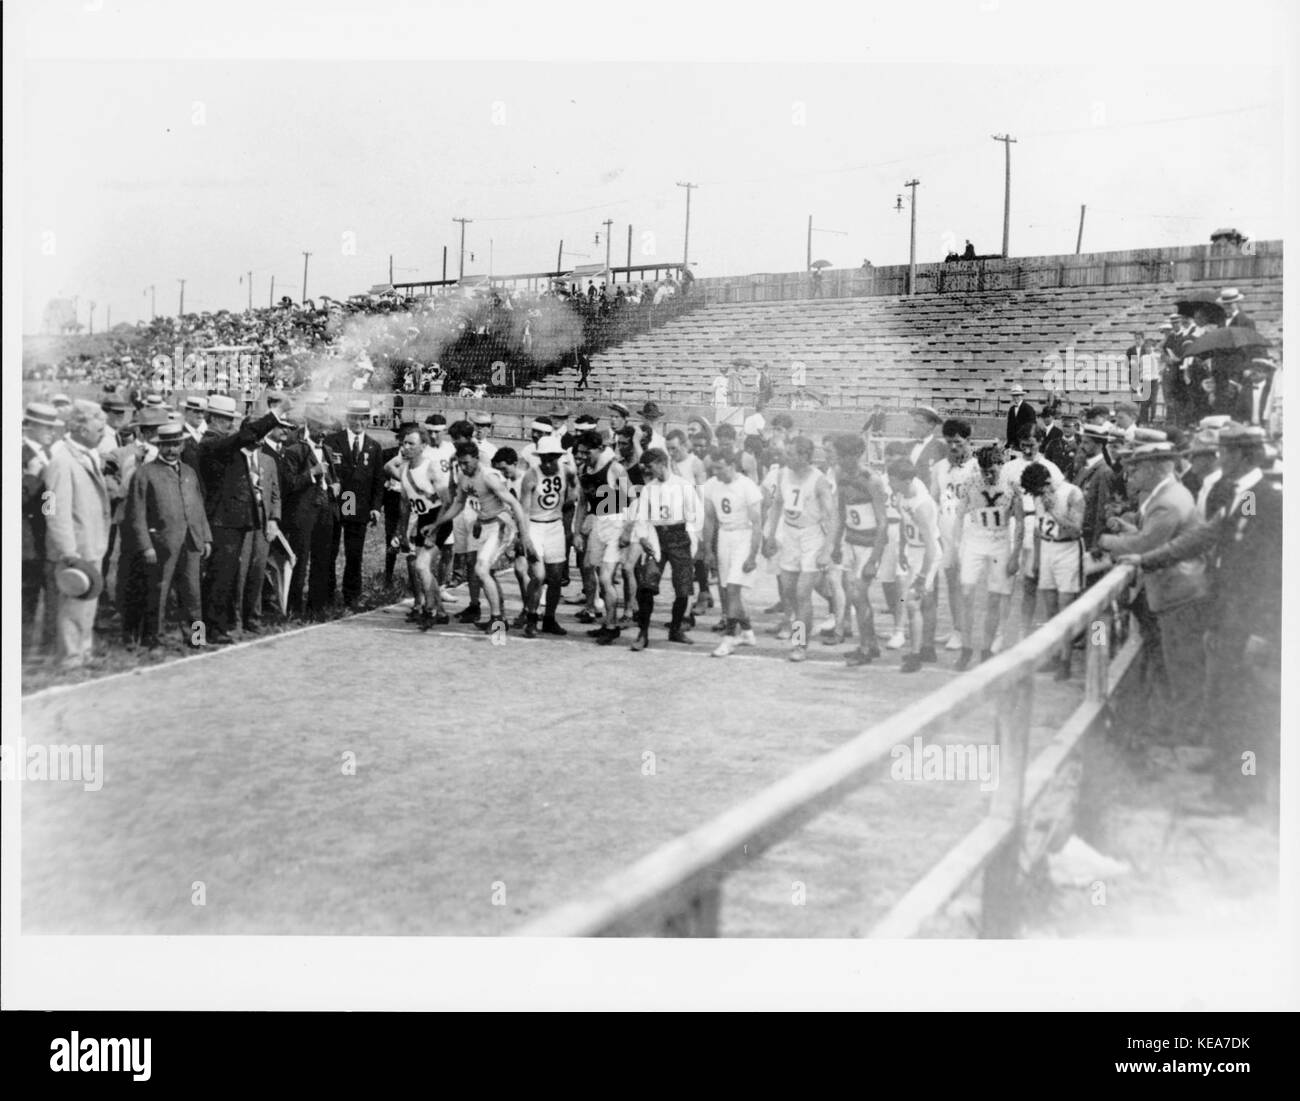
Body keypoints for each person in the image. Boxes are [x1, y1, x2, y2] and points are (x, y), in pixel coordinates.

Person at [1118, 424, 1280, 813]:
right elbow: (1207, 537)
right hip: (1226, 615)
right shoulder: (1243, 497)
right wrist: (1145, 559)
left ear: (1242, 455)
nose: (1217, 458)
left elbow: (1270, 573)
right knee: (1223, 697)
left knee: (1243, 705)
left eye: (1224, 452)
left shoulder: (1266, 500)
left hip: (1248, 621)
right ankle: (1229, 772)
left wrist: (1262, 630)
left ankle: (1241, 788)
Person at [1097, 442, 1209, 744]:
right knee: (1173, 662)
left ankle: (1184, 732)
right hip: (1175, 589)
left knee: (1180, 664)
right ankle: (1175, 726)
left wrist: (1106, 540)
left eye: (1136, 467)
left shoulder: (1167, 500)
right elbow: (1155, 540)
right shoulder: (1169, 494)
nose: (1131, 473)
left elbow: (1145, 546)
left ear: (1151, 468)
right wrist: (1129, 532)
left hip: (1178, 592)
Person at [123, 422, 212, 650]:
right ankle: (154, 640)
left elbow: (198, 507)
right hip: (162, 543)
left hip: (191, 542)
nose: (172, 450)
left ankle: (197, 638)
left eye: (176, 444)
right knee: (158, 593)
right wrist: (146, 546)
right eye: (167, 445)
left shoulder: (189, 472)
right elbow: (136, 513)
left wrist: (206, 537)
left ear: (182, 445)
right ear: (159, 446)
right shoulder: (145, 473)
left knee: (193, 594)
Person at [433, 441, 536, 637]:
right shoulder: (464, 476)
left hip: (500, 524)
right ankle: (499, 616)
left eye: (467, 463)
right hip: (484, 524)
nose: (463, 467)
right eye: (460, 463)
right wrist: (437, 524)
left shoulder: (489, 477)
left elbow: (514, 504)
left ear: (476, 459)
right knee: (484, 571)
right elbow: (458, 505)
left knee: (481, 569)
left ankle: (498, 620)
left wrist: (524, 536)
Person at [205, 410, 285, 643]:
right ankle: (221, 627)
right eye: (225, 420)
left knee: (250, 573)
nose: (258, 440)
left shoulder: (264, 459)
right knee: (227, 577)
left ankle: (242, 621)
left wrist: (273, 520)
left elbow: (275, 493)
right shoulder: (221, 449)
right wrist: (275, 412)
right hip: (229, 523)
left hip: (252, 522)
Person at [43, 401, 112, 668]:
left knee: (87, 603)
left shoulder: (87, 455)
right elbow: (52, 508)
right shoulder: (61, 461)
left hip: (93, 543)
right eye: (98, 428)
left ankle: (84, 653)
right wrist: (67, 550)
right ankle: (70, 658)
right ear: (81, 429)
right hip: (75, 549)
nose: (103, 434)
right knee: (72, 605)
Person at [763, 435, 834, 663]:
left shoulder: (819, 480)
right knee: (788, 591)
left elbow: (832, 517)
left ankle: (800, 644)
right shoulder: (783, 474)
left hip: (812, 537)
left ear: (804, 456)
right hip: (790, 535)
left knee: (803, 593)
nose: (786, 457)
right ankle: (801, 629)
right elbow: (776, 506)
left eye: (791, 454)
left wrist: (827, 549)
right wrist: (771, 535)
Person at [623, 448, 700, 650]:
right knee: (647, 584)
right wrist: (642, 538)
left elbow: (694, 517)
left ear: (661, 463)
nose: (647, 471)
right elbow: (642, 517)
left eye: (649, 467)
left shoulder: (683, 486)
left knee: (682, 587)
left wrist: (692, 545)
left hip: (680, 537)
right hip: (657, 537)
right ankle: (643, 633)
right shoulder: (649, 488)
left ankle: (675, 629)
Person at [954, 445, 1023, 669]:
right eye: (984, 471)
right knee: (966, 594)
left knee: (994, 598)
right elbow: (958, 516)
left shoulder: (1013, 484)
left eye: (992, 470)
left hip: (1000, 540)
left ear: (1001, 466)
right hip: (975, 539)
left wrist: (1015, 554)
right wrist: (957, 547)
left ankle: (986, 649)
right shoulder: (971, 482)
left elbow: (1021, 522)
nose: (988, 475)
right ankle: (966, 648)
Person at [829, 434, 890, 667]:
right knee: (857, 596)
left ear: (857, 455)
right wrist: (836, 544)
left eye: (846, 456)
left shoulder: (871, 480)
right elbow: (842, 512)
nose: (842, 461)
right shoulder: (840, 473)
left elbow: (883, 522)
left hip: (869, 545)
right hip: (851, 543)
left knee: (857, 595)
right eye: (839, 456)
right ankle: (871, 644)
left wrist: (874, 559)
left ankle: (865, 647)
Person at [1020, 463, 1085, 679]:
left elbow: (1076, 529)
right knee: (1050, 609)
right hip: (1047, 549)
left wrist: (1054, 511)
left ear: (1047, 482)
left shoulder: (1072, 493)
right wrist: (1037, 560)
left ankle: (1066, 661)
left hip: (1067, 550)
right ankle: (1055, 656)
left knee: (1066, 607)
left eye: (1039, 491)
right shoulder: (1039, 496)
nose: (1037, 496)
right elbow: (1039, 530)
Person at [386, 424, 453, 629]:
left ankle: (429, 609)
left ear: (423, 446)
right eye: (404, 443)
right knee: (423, 568)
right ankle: (440, 611)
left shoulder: (430, 467)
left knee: (421, 565)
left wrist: (434, 529)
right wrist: (403, 531)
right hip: (423, 519)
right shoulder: (405, 469)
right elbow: (405, 505)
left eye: (411, 444)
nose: (406, 447)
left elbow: (447, 501)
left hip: (439, 519)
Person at [700, 447, 763, 658]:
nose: (716, 473)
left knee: (734, 590)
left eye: (720, 468)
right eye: (713, 469)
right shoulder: (711, 486)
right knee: (727, 591)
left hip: (743, 537)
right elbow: (709, 519)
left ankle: (728, 639)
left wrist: (753, 555)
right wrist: (707, 548)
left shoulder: (747, 487)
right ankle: (747, 632)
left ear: (732, 466)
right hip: (724, 538)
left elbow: (757, 524)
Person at [325, 399, 385, 608]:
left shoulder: (373, 446)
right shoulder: (333, 441)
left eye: (363, 418)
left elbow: (379, 481)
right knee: (329, 551)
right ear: (347, 418)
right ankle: (326, 595)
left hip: (358, 505)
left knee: (354, 554)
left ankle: (352, 596)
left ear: (368, 420)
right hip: (335, 503)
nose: (358, 422)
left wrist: (376, 508)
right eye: (354, 417)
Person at [572, 430, 630, 644]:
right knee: (591, 569)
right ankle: (604, 619)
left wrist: (628, 530)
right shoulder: (583, 470)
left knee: (606, 578)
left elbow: (633, 499)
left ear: (599, 449)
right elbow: (582, 505)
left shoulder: (615, 468)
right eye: (580, 453)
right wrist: (576, 532)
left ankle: (612, 625)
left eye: (587, 452)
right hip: (598, 521)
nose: (583, 456)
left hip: (616, 522)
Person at [518, 435, 577, 638]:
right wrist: (525, 538)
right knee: (539, 575)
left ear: (558, 456)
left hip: (555, 526)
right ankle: (532, 616)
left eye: (552, 458)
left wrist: (571, 498)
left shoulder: (566, 470)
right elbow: (523, 511)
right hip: (534, 526)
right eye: (544, 458)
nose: (548, 462)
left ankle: (550, 618)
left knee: (555, 577)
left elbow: (575, 487)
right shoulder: (531, 476)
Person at [929, 418, 980, 654]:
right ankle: (957, 628)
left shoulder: (978, 468)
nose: (952, 447)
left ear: (969, 441)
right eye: (948, 442)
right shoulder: (939, 467)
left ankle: (967, 631)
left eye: (958, 442)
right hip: (947, 532)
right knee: (951, 582)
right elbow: (933, 501)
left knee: (967, 585)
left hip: (970, 534)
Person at [886, 458, 941, 674]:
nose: (890, 484)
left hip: (926, 554)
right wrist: (902, 550)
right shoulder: (903, 494)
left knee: (911, 603)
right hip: (913, 550)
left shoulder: (922, 505)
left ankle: (916, 654)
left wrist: (923, 575)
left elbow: (932, 547)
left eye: (893, 480)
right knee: (925, 602)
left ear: (906, 480)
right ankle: (927, 647)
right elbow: (903, 523)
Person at [22, 402, 61, 651]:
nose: (50, 431)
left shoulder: (49, 453)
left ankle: (49, 645)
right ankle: (22, 649)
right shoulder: (20, 454)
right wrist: (32, 477)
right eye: (44, 426)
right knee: (28, 596)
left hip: (48, 536)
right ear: (30, 426)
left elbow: (49, 501)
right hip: (28, 538)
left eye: (52, 426)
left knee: (53, 593)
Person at [907, 405, 947, 488]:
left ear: (931, 425)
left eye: (919, 422)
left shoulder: (941, 448)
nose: (915, 426)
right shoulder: (907, 446)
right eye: (914, 421)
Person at [1005, 383, 1036, 449]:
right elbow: (1009, 428)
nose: (1015, 397)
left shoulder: (1028, 409)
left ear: (1022, 396)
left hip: (1025, 443)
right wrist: (1009, 442)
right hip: (1014, 443)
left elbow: (1032, 427)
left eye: (1017, 395)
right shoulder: (1011, 409)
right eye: (1014, 396)